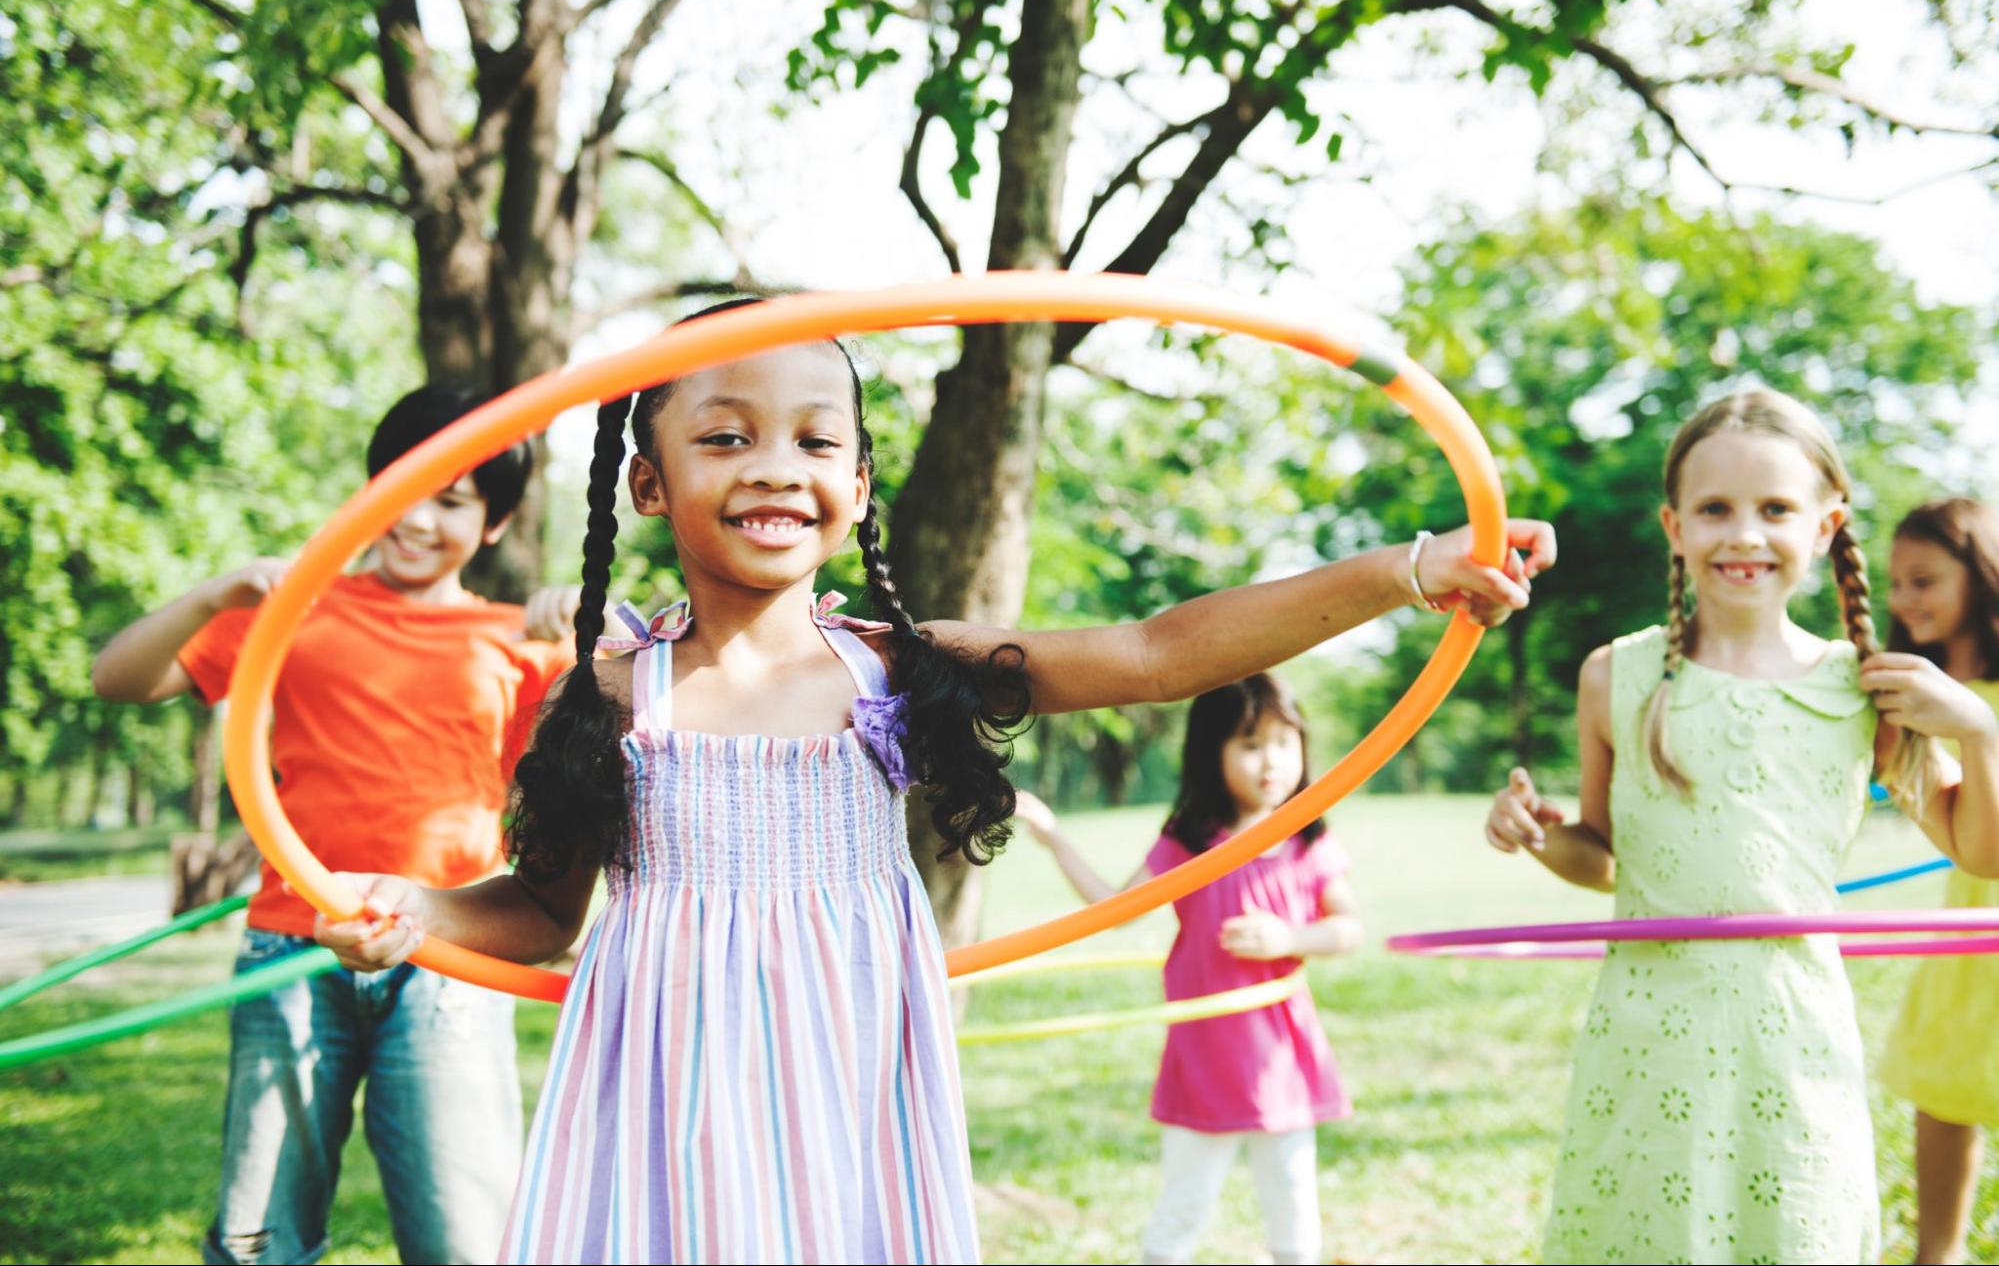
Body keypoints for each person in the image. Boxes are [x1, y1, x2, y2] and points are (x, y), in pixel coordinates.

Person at [320, 299, 1557, 1264]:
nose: (771, 466)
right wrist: (413, 913)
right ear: (649, 485)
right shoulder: (609, 690)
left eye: (815, 439)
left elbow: (1158, 652)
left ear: (856, 487)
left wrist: (1412, 568)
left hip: (851, 1090)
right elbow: (539, 914)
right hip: (662, 1103)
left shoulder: (901, 670)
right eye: (723, 436)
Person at [1484, 389, 1999, 1263]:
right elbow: (1603, 858)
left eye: (1774, 509)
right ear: (1673, 525)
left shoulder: (1861, 687)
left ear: (1828, 523)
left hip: (1791, 1038)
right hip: (1648, 1038)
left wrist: (1978, 731)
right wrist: (1542, 834)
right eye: (1714, 508)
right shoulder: (1616, 674)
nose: (1744, 534)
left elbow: (1980, 851)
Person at [92, 385, 575, 1265]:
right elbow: (117, 680)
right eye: (401, 484)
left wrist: (577, 645)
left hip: (448, 954)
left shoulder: (519, 642)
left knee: (466, 1234)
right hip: (292, 948)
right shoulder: (292, 609)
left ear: (496, 524)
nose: (418, 516)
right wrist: (212, 595)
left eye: (453, 499)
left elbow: (570, 784)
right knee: (258, 1236)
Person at [1015, 672, 1360, 1265]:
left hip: (1281, 1055)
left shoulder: (1308, 843)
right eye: (1250, 744)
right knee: (1185, 1199)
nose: (1270, 761)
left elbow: (1348, 929)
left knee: (1293, 1197)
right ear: (1212, 753)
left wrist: (1290, 936)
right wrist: (1055, 840)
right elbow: (1115, 910)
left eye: (1284, 742)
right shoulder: (1189, 842)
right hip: (1206, 1055)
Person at [1873, 498, 1999, 1264]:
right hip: (1969, 942)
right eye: (1892, 582)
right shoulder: (1901, 708)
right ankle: (1937, 1253)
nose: (1903, 599)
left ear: (1980, 577)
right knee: (1946, 1095)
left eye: (1922, 579)